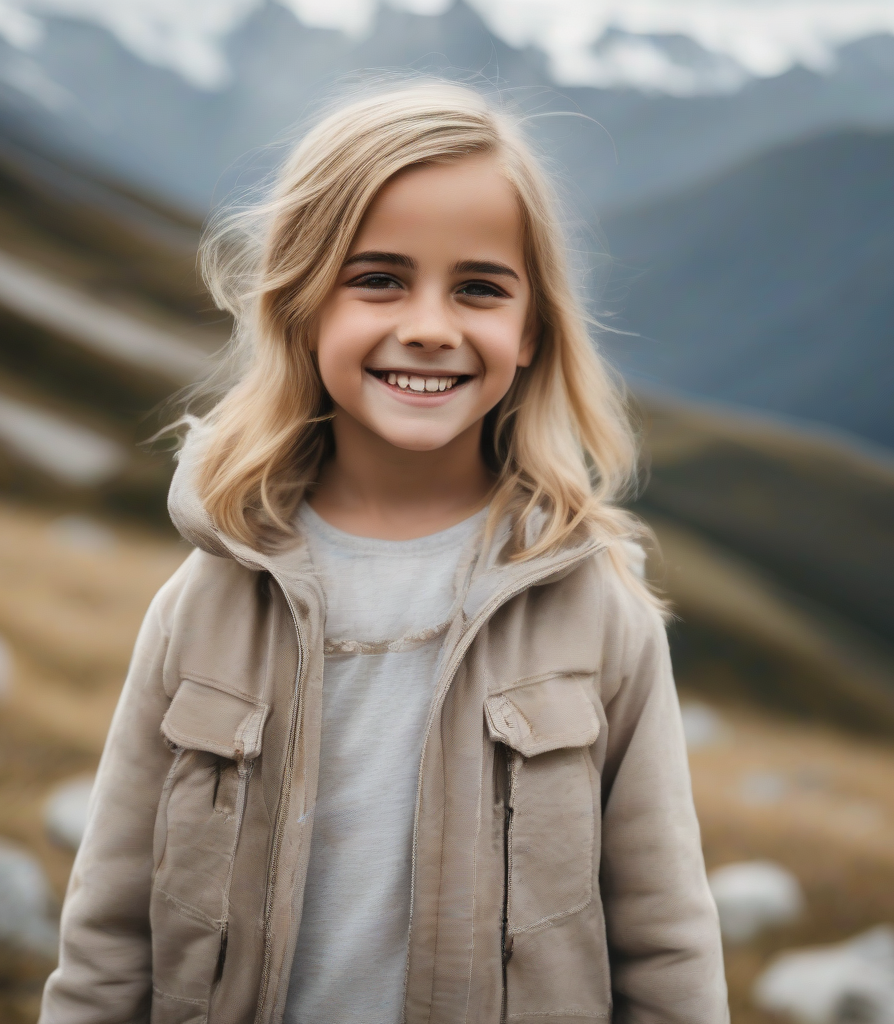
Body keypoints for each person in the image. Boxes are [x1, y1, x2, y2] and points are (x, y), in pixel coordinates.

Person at [40, 82, 728, 1024]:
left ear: (531, 331)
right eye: (379, 279)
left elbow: (666, 945)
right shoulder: (203, 604)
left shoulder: (596, 612)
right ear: (302, 304)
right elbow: (109, 936)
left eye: (480, 288)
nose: (432, 326)